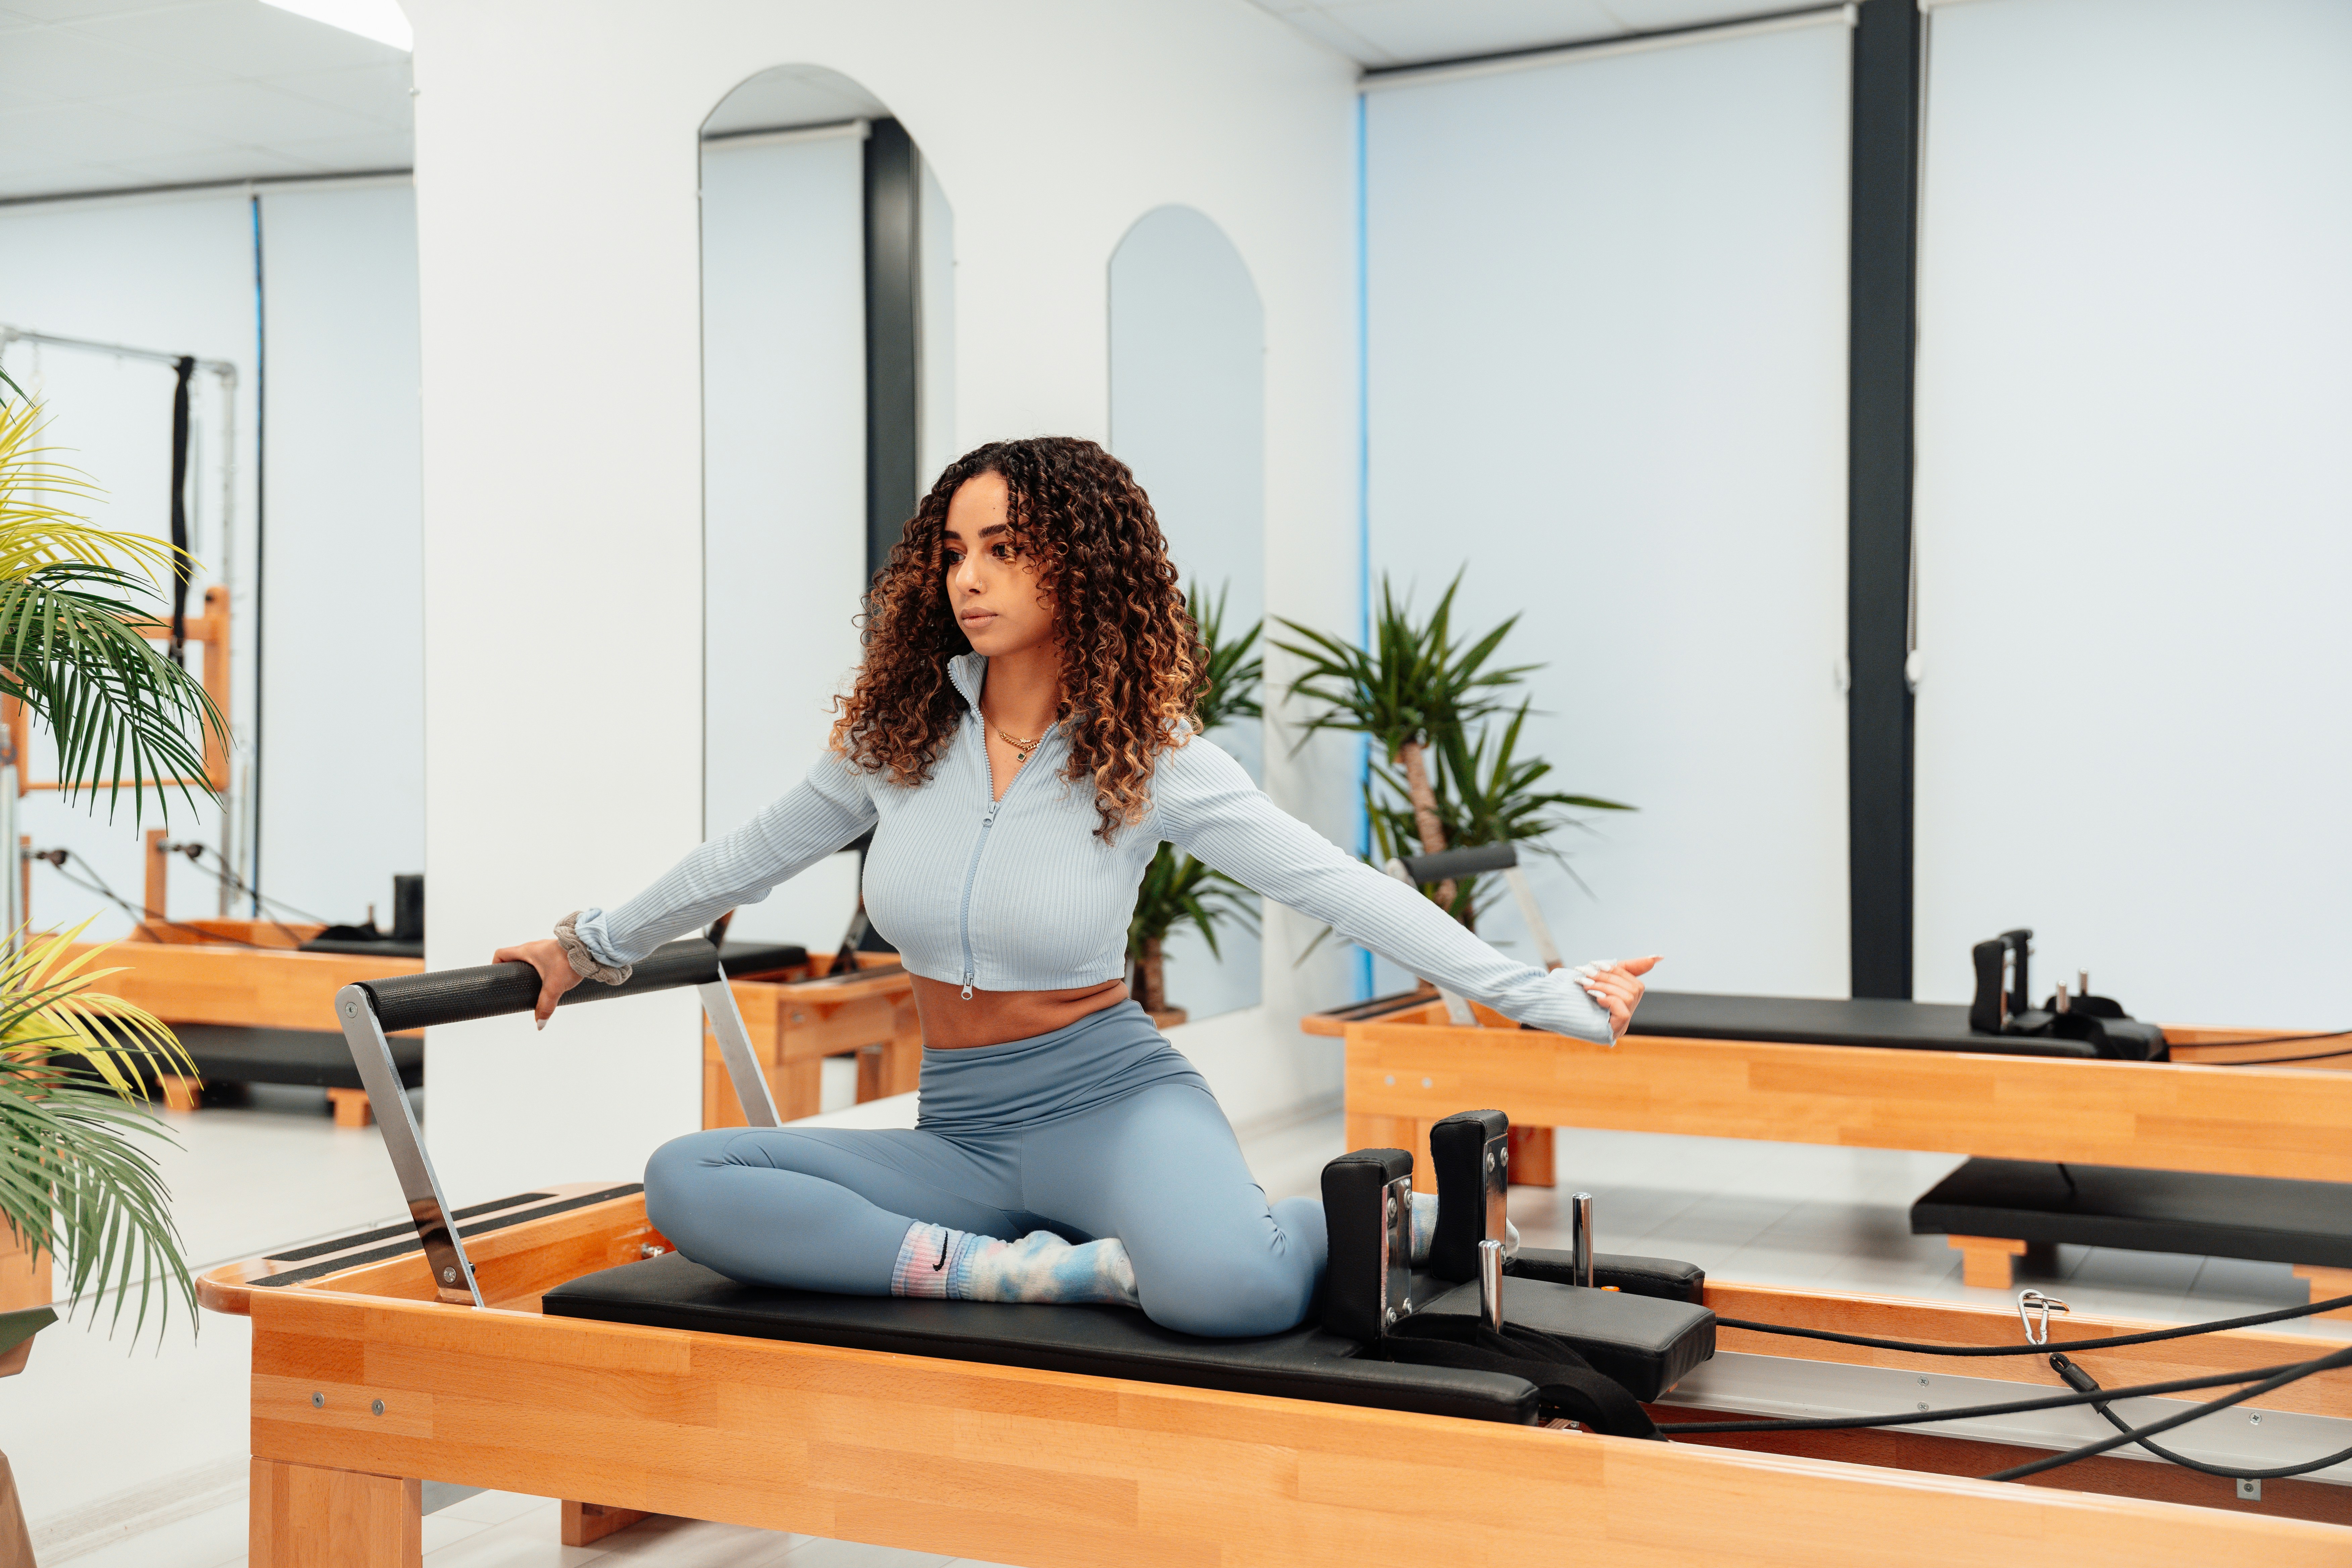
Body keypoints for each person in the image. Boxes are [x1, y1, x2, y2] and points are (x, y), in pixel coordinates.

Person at [497, 437, 1658, 1338]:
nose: (970, 576)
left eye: (1005, 547)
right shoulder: (899, 742)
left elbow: (1339, 884)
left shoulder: (1148, 756)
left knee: (1231, 1295)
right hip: (959, 1128)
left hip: (1109, 1101)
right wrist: (584, 945)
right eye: (954, 551)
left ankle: (1392, 1223)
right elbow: (744, 856)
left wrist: (1539, 993)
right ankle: (1045, 1273)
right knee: (690, 1181)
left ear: (1083, 560)